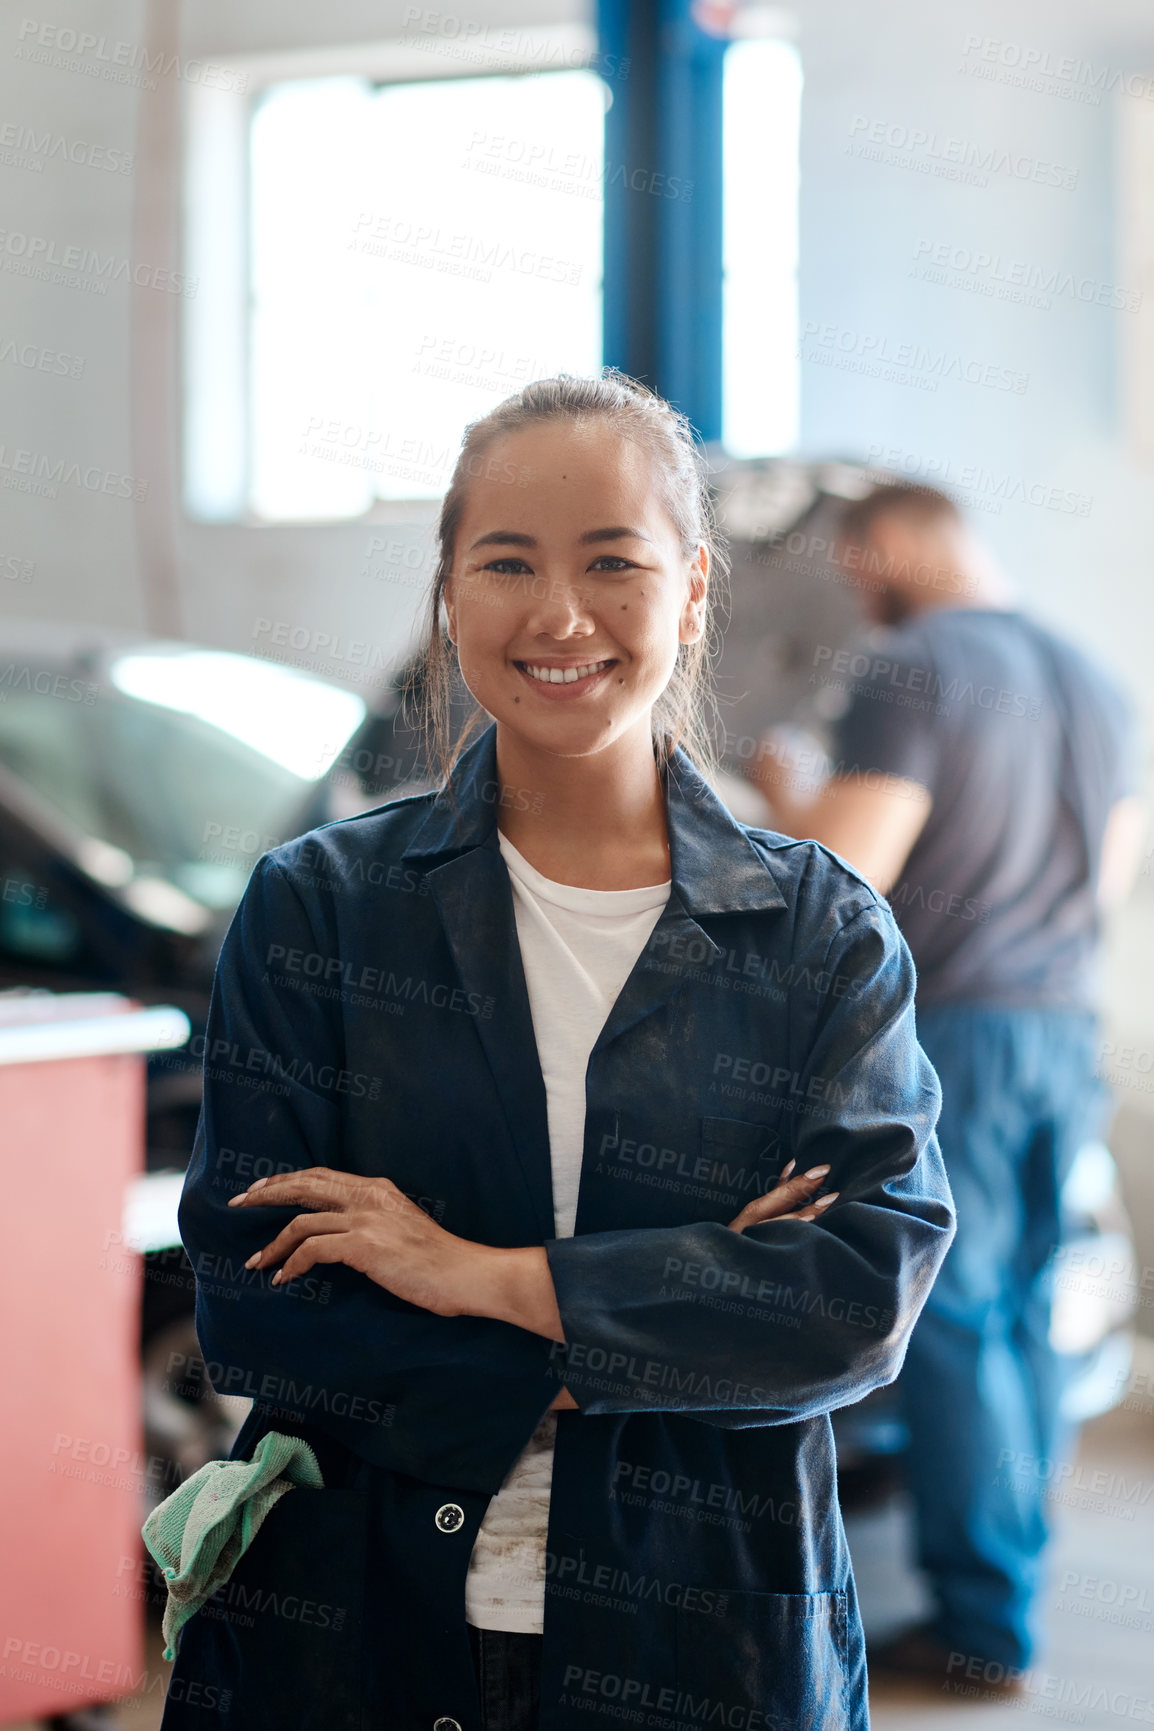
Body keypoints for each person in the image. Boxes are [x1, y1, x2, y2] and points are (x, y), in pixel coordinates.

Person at [161, 378, 954, 1731]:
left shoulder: (816, 929)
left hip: (697, 1631)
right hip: (361, 1629)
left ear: (693, 589)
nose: (558, 614)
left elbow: (847, 1295)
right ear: (448, 596)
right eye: (507, 562)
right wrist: (679, 1299)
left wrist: (475, 1275)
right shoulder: (323, 907)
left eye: (612, 561)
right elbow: (259, 1298)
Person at [747, 482, 1143, 1688]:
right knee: (1019, 1309)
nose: (856, 589)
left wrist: (777, 792)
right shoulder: (1094, 677)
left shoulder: (912, 664)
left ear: (888, 544)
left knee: (954, 1318)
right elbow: (1113, 877)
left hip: (955, 1032)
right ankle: (1004, 1578)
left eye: (855, 561)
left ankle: (978, 1627)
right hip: (1061, 1025)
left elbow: (848, 866)